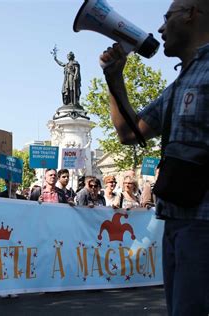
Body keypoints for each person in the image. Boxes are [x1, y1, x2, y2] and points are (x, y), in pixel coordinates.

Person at [100, 1, 209, 313]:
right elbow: (128, 133)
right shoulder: (180, 83)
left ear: (191, 14)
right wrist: (114, 78)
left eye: (167, 17)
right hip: (177, 222)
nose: (160, 28)